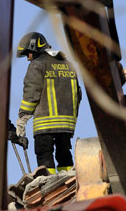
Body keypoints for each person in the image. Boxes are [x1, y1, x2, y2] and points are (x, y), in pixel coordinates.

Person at [16, 32, 81, 174]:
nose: (28, 58)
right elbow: (78, 95)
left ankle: (50, 187)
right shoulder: (69, 64)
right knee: (64, 156)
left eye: (28, 54)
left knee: (44, 155)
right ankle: (70, 185)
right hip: (67, 124)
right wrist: (72, 120)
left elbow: (31, 94)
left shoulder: (37, 65)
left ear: (34, 48)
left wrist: (22, 119)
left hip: (45, 123)